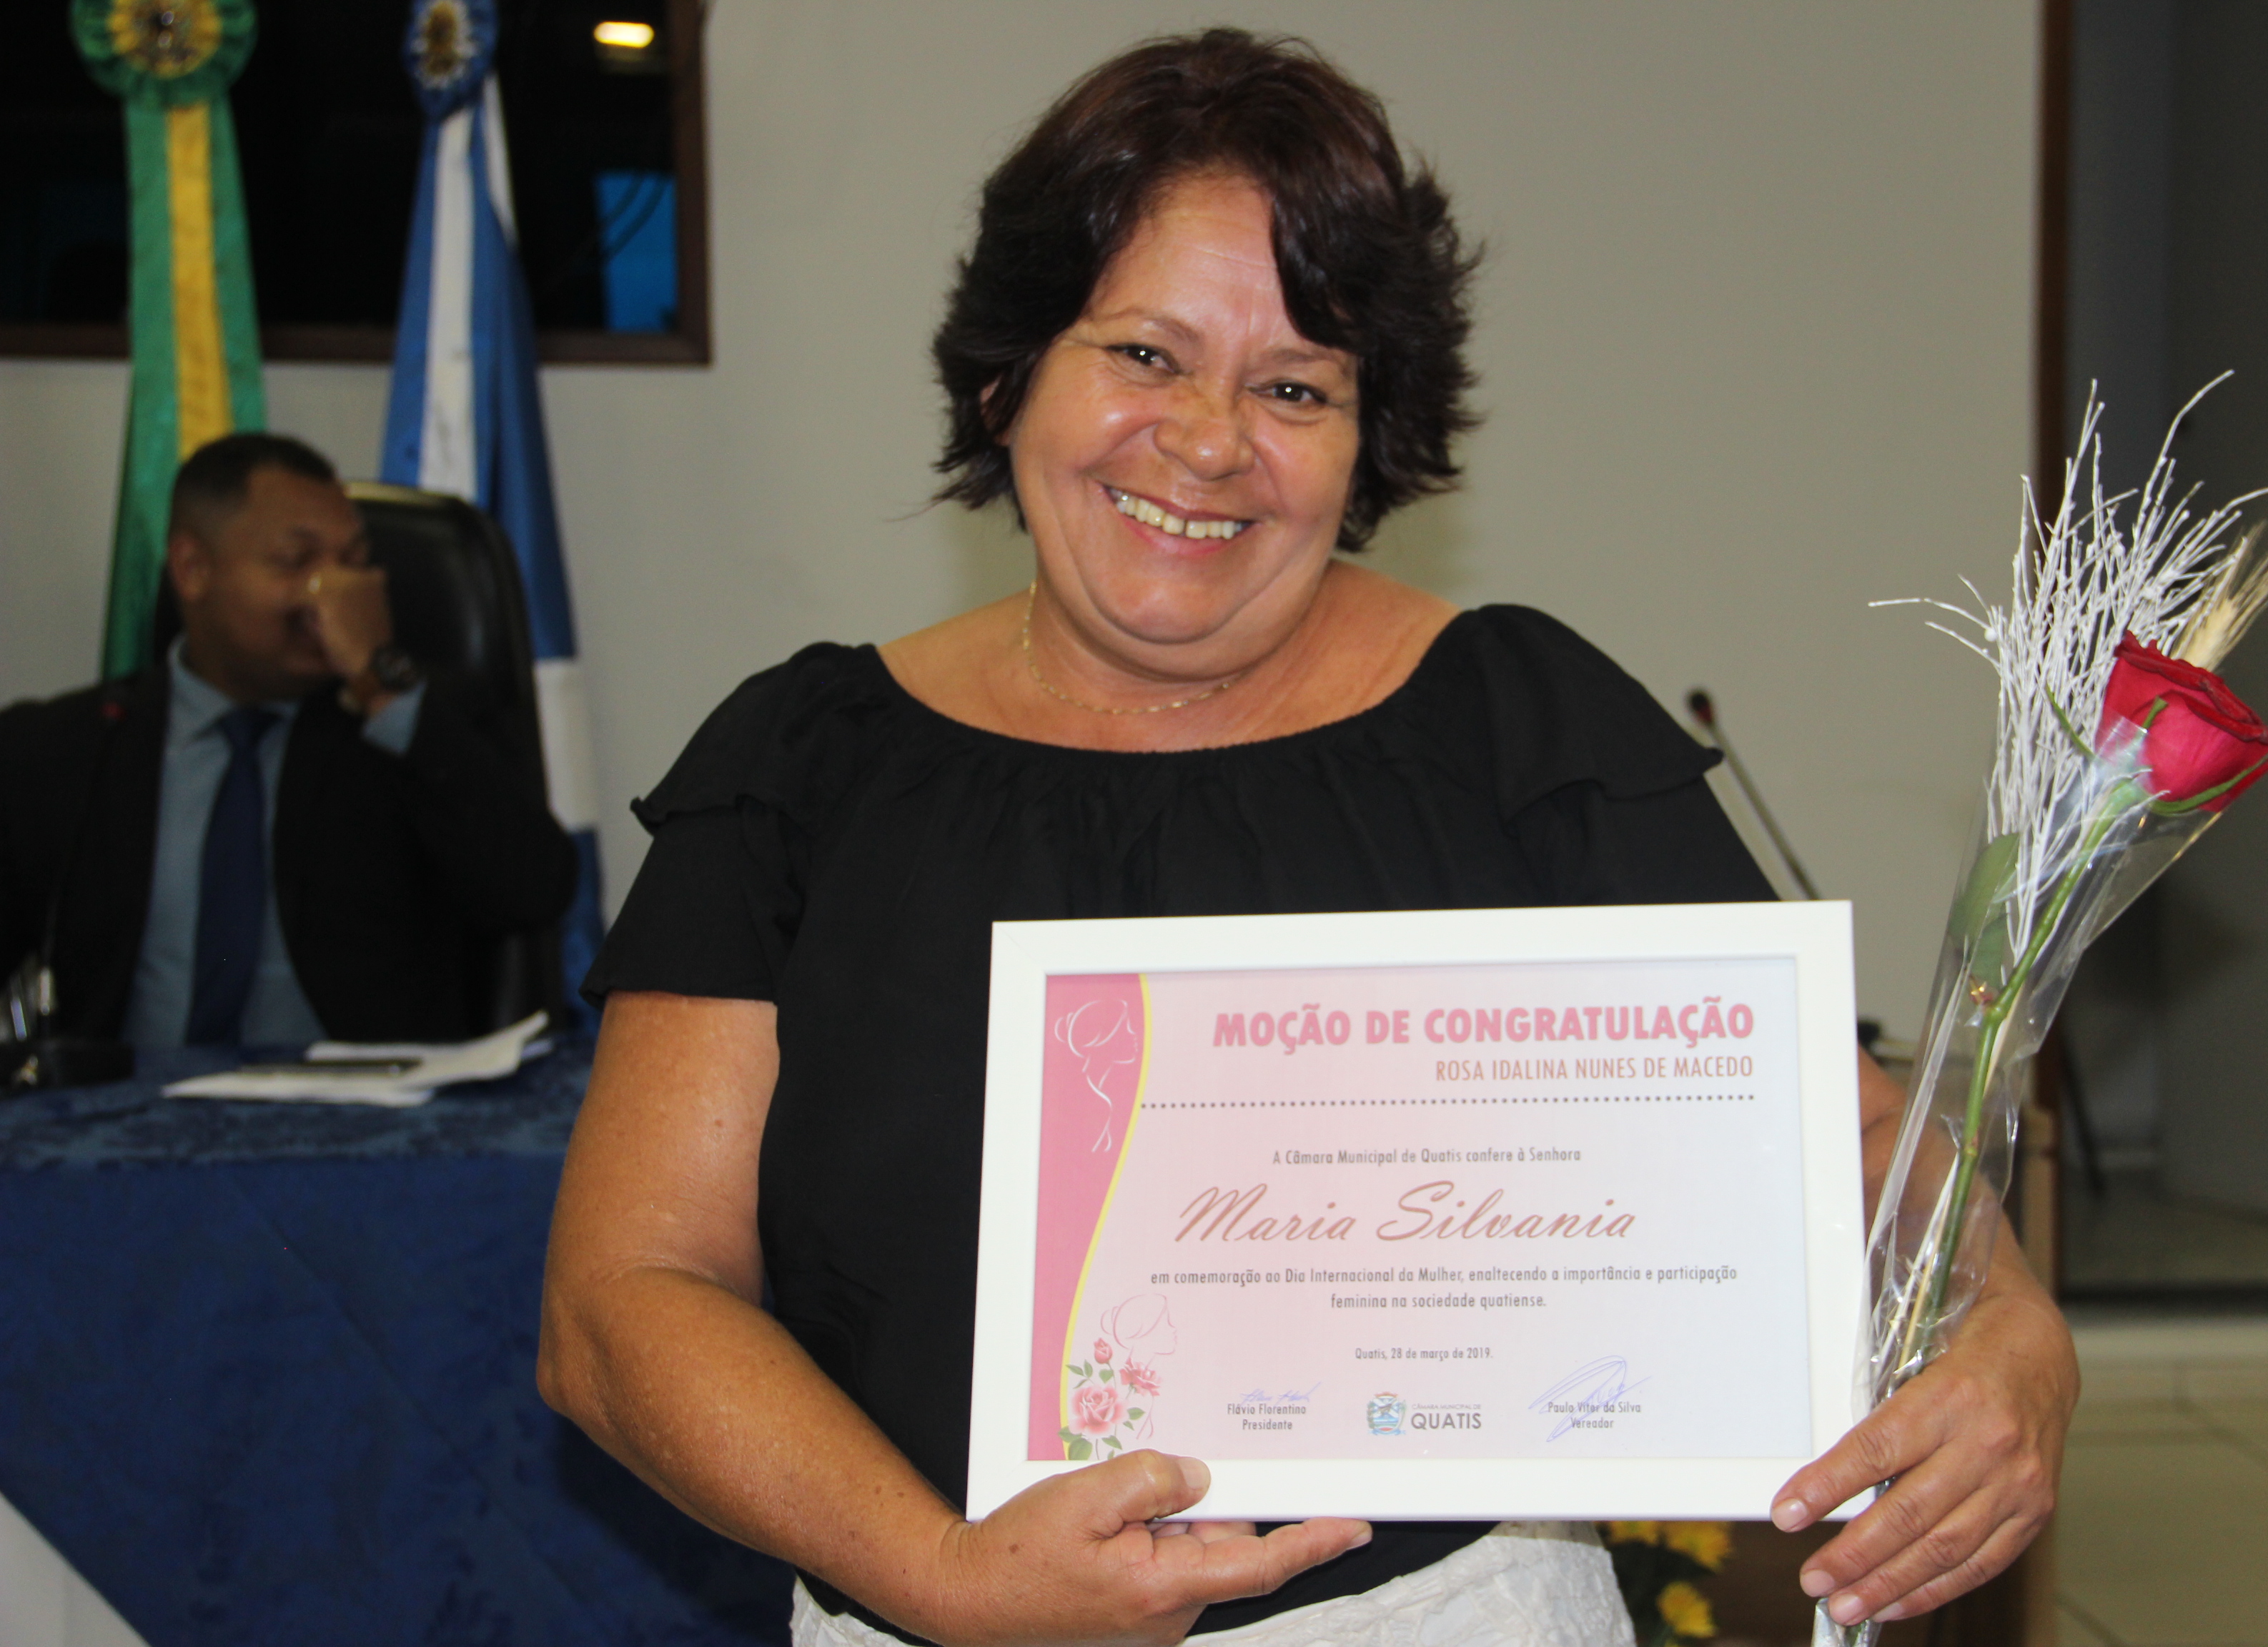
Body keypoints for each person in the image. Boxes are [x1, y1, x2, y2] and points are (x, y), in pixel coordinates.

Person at [540, 29, 2076, 1647]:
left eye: (1293, 387)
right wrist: (942, 1576)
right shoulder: (800, 767)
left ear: (1364, 439)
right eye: (1144, 353)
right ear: (1007, 378)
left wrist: (2009, 1318)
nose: (1210, 440)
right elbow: (623, 1298)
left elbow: (1829, 1146)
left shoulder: (1518, 727)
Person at [0, 432, 578, 1048]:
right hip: (126, 1099)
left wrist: (382, 687)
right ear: (193, 570)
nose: (329, 592)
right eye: (296, 561)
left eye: (353, 562)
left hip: (356, 1099)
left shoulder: (417, 728)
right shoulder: (65, 748)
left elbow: (535, 891)